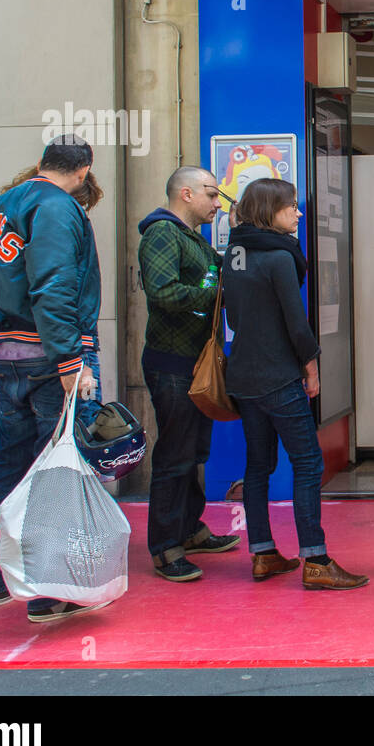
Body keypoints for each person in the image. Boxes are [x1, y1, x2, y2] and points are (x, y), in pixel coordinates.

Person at [0, 134, 105, 623]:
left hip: (3, 356)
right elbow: (53, 283)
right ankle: (49, 590)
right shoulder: (56, 205)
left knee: (5, 468)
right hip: (47, 355)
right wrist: (72, 362)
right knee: (55, 471)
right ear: (83, 169)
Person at [222, 178, 366, 590]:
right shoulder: (280, 258)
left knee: (257, 466)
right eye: (290, 207)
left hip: (243, 376)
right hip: (279, 375)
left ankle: (263, 553)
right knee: (307, 463)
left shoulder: (235, 252)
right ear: (270, 210)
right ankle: (316, 559)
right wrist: (312, 367)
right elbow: (296, 322)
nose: (298, 213)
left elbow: (233, 318)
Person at [138, 167, 243, 582]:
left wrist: (235, 240)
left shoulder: (190, 238)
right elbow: (162, 292)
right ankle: (165, 548)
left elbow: (221, 271)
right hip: (172, 363)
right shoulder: (162, 234)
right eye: (212, 195)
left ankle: (189, 530)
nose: (218, 204)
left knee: (193, 452)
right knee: (175, 455)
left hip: (190, 363)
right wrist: (214, 294)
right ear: (186, 194)